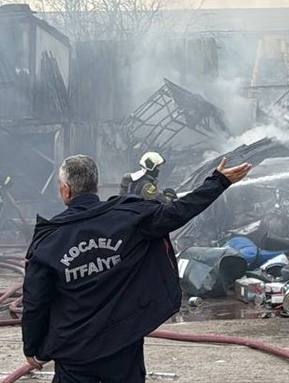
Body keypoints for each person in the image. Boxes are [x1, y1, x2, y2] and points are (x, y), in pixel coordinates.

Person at [22, 153, 252, 380]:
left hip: (74, 351)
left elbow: (35, 301)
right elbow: (180, 211)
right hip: (123, 343)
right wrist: (219, 182)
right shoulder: (130, 217)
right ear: (97, 185)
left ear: (65, 189)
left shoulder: (49, 242)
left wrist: (33, 348)